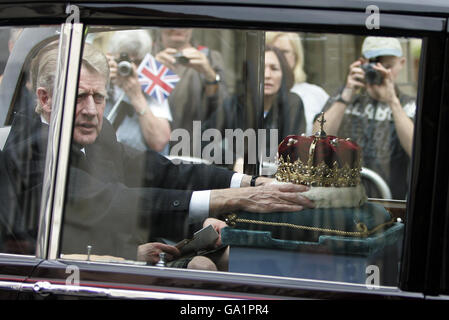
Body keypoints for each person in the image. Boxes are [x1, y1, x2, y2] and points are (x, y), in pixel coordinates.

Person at [2, 41, 314, 267]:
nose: (92, 110)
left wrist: (246, 182)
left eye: (99, 97)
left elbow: (162, 170)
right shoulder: (28, 149)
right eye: (80, 96)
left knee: (241, 258)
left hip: (123, 260)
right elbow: (115, 202)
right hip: (63, 277)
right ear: (45, 99)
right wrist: (230, 199)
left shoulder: (97, 130)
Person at [313, 36, 416, 199]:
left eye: (388, 66)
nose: (380, 72)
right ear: (362, 63)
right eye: (373, 66)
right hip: (345, 199)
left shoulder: (410, 105)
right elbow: (317, 138)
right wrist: (346, 94)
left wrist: (393, 102)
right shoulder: (344, 99)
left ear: (402, 63)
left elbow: (417, 150)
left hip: (394, 201)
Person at [153, 28, 228, 146]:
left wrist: (209, 75)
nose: (179, 27)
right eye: (173, 20)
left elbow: (223, 115)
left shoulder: (210, 57)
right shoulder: (143, 53)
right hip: (149, 149)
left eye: (185, 23)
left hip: (192, 148)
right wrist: (149, 70)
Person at [105, 30, 172, 153]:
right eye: (123, 61)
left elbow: (159, 142)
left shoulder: (152, 81)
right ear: (111, 56)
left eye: (137, 62)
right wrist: (102, 78)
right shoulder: (102, 76)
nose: (131, 67)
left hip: (136, 164)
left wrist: (136, 96)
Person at [266, 32, 329, 136]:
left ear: (296, 56)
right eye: (273, 50)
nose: (277, 56)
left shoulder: (316, 94)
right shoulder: (259, 94)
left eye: (284, 52)